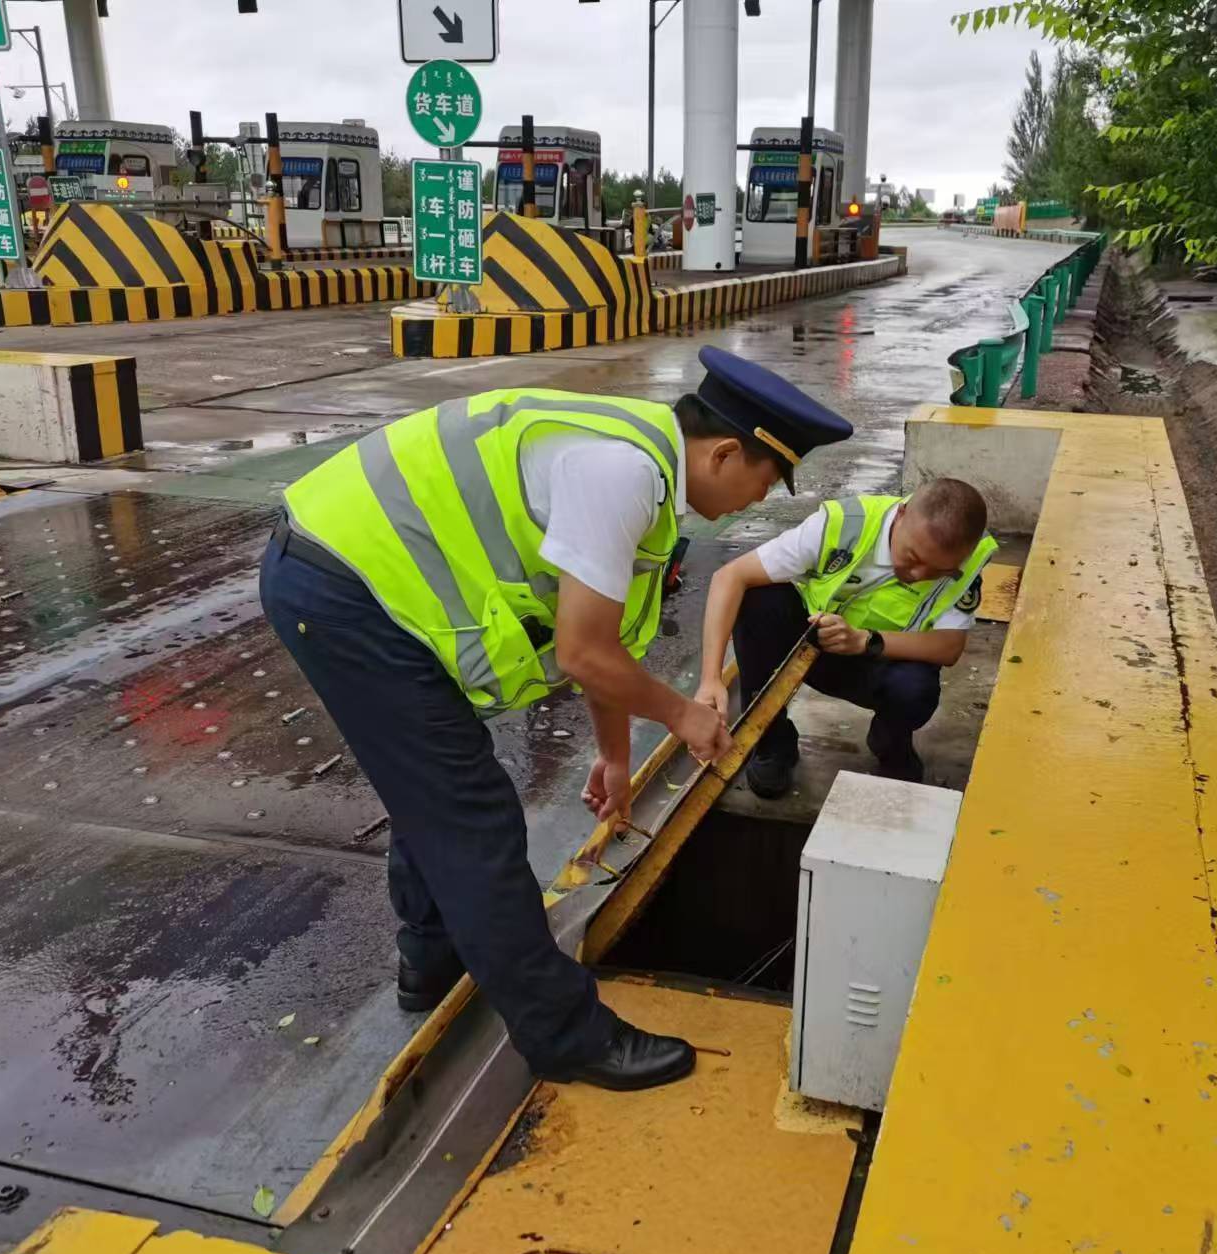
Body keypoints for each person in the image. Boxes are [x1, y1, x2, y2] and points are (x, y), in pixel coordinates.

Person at [258, 347, 852, 1093]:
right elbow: (581, 650)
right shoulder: (621, 475)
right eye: (760, 484)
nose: (751, 505)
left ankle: (434, 958)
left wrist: (612, 757)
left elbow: (611, 638)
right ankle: (564, 1034)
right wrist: (682, 717)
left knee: (435, 786)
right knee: (471, 813)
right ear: (725, 452)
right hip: (342, 586)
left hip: (360, 587)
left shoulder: (648, 476)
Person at [696, 479, 997, 796]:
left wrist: (867, 641)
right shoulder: (843, 524)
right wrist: (710, 678)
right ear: (901, 514)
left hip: (878, 663)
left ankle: (890, 743)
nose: (919, 574)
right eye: (912, 556)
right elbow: (730, 577)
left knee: (916, 689)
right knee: (758, 600)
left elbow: (949, 647)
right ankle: (773, 742)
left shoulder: (968, 558)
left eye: (938, 570)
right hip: (810, 650)